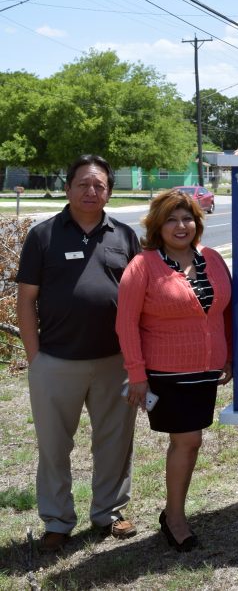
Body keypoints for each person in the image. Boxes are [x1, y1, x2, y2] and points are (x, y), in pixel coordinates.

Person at [16, 155, 142, 553]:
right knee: (54, 446)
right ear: (68, 188)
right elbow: (25, 301)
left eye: (100, 185)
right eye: (84, 184)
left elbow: (139, 300)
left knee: (115, 442)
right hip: (55, 362)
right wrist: (35, 357)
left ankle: (109, 513)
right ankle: (57, 520)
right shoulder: (43, 235)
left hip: (114, 361)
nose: (91, 191)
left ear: (109, 191)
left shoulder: (124, 235)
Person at [116, 189, 233, 551]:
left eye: (187, 219)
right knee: (188, 440)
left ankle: (174, 511)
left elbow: (225, 310)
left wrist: (228, 356)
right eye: (171, 219)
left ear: (197, 223)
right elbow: (126, 323)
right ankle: (175, 518)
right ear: (157, 225)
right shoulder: (144, 265)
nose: (180, 226)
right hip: (167, 371)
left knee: (190, 441)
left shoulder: (211, 258)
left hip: (207, 369)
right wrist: (137, 374)